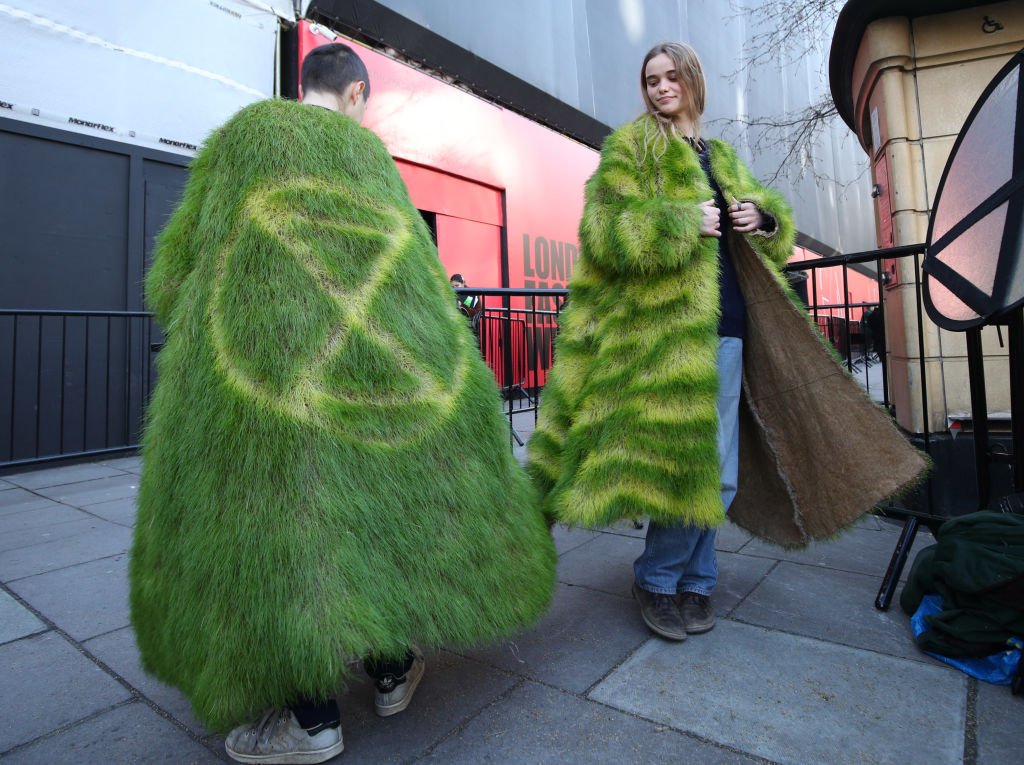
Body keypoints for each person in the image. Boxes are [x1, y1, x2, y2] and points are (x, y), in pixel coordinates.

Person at [131, 42, 555, 765]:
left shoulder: (245, 138)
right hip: (369, 391)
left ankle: (312, 719)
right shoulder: (374, 163)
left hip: (262, 394)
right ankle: (390, 672)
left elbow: (172, 277)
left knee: (289, 541)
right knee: (372, 518)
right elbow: (419, 287)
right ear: (357, 95)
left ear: (304, 89)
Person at [527, 42, 795, 642]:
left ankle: (695, 578)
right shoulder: (632, 146)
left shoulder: (721, 155)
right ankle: (660, 577)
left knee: (719, 474)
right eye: (652, 80)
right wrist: (677, 221)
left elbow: (772, 235)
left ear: (694, 80)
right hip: (664, 336)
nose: (661, 88)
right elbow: (603, 232)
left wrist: (765, 218)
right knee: (683, 467)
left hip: (729, 328)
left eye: (673, 77)